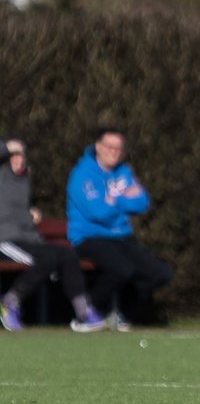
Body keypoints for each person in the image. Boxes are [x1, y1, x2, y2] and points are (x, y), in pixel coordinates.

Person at [67, 127, 173, 330]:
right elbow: (98, 212)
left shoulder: (124, 172)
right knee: (122, 269)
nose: (114, 152)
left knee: (160, 273)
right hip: (90, 237)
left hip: (121, 237)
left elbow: (142, 202)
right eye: (109, 147)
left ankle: (124, 314)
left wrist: (115, 200)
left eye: (119, 148)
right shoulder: (83, 175)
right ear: (98, 147)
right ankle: (87, 311)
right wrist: (125, 199)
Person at [1, 138, 107, 332]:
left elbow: (13, 207)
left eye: (21, 156)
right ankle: (9, 303)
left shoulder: (24, 181)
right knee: (47, 259)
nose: (18, 160)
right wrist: (7, 147)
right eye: (13, 156)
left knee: (67, 255)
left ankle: (84, 312)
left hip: (29, 239)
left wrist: (29, 212)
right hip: (5, 240)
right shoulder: (2, 174)